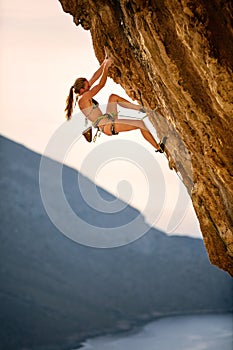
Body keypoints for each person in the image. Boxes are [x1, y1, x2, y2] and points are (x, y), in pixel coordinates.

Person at [65, 57, 164, 152]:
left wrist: (104, 62)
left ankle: (140, 109)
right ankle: (158, 147)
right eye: (88, 86)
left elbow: (94, 77)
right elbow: (100, 85)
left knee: (113, 97)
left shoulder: (84, 93)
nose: (90, 86)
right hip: (107, 126)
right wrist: (106, 67)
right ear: (82, 89)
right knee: (140, 124)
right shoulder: (84, 98)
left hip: (108, 119)